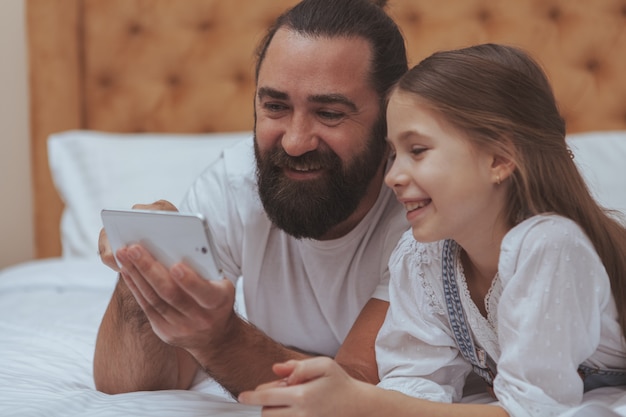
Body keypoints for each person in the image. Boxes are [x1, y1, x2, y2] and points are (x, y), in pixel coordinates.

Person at [238, 43, 626, 416]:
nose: (392, 176)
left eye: (418, 150)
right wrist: (347, 401)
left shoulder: (549, 246)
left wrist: (363, 405)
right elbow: (413, 384)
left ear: (499, 159)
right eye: (393, 154)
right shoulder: (424, 258)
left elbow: (534, 412)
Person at [93, 0, 409, 398]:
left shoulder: (420, 208)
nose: (294, 142)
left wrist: (220, 338)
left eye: (329, 113)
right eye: (275, 106)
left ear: (390, 116)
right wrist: (139, 264)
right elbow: (130, 384)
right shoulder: (234, 184)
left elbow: (356, 389)